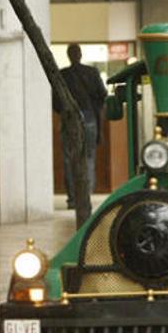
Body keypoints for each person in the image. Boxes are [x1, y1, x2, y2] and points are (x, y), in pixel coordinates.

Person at [53, 44, 107, 210]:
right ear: (80, 55)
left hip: (70, 119)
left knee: (70, 159)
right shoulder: (91, 73)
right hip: (89, 117)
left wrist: (65, 111)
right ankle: (86, 195)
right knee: (88, 157)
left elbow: (55, 101)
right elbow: (102, 95)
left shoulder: (63, 75)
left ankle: (73, 198)